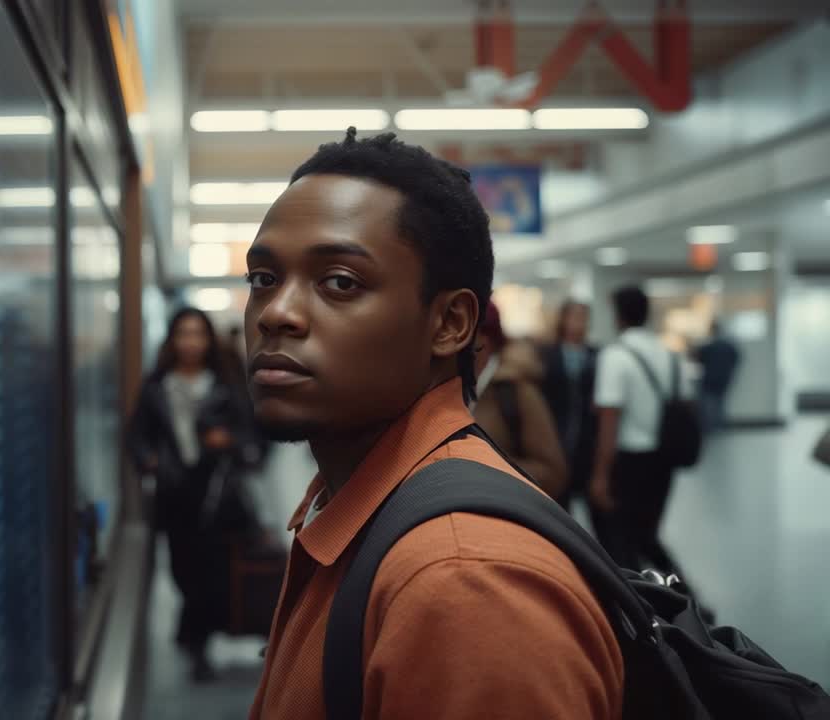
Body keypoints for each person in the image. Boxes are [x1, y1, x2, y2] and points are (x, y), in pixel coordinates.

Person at [245, 129, 621, 719]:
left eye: (340, 282)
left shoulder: (465, 584)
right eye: (263, 279)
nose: (277, 314)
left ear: (450, 323)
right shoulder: (354, 502)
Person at [126, 307, 257, 682]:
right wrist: (148, 459)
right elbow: (135, 436)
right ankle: (191, 634)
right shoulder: (156, 386)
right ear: (172, 339)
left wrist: (228, 441)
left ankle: (196, 643)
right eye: (184, 334)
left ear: (208, 340)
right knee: (183, 572)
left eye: (198, 334)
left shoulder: (225, 386)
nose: (191, 342)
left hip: (217, 495)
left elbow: (254, 437)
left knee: (212, 574)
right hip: (174, 495)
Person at [590, 286, 692, 577]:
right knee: (647, 533)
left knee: (622, 538)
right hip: (665, 457)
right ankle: (682, 593)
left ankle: (643, 603)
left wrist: (599, 476)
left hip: (630, 460)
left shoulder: (616, 355)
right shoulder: (670, 355)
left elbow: (609, 418)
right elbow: (685, 405)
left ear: (618, 315)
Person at [471, 301, 568, 501]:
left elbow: (553, 474)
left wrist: (483, 468)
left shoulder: (516, 390)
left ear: (485, 340)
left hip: (504, 516)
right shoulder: (451, 387)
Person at [541, 300, 599, 512]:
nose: (579, 323)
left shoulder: (595, 355)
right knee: (559, 505)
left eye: (584, 318)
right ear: (563, 319)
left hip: (587, 437)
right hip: (556, 433)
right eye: (575, 317)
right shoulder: (547, 354)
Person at [692, 321, 740, 434]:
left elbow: (697, 358)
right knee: (720, 403)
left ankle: (711, 427)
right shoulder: (729, 346)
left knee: (708, 404)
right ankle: (719, 426)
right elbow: (737, 358)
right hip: (724, 378)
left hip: (709, 379)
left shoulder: (709, 347)